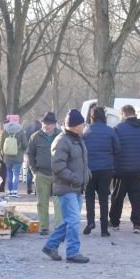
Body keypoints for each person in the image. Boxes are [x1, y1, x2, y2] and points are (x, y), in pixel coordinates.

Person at [42, 108, 90, 264]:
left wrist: (86, 173)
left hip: (76, 187)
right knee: (74, 220)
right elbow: (58, 167)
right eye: (83, 124)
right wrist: (75, 178)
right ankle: (73, 252)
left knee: (69, 221)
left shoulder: (77, 139)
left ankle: (51, 246)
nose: (85, 126)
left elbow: (79, 161)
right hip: (67, 187)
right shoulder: (62, 140)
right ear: (76, 126)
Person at [111, 104, 140, 233]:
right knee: (136, 198)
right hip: (139, 169)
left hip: (121, 170)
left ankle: (114, 222)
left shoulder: (118, 128)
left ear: (123, 114)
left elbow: (113, 148)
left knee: (118, 197)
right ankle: (137, 224)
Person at [81, 106, 120, 238]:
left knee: (89, 196)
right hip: (106, 169)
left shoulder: (85, 131)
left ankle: (90, 222)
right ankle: (104, 229)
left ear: (91, 117)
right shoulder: (110, 131)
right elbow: (117, 149)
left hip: (90, 169)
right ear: (104, 117)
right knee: (104, 199)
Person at [27, 112, 59, 235]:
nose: (47, 126)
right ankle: (44, 226)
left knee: (58, 202)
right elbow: (30, 154)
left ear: (55, 124)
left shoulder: (61, 136)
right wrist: (34, 171)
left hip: (58, 175)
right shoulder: (35, 137)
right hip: (41, 174)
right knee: (42, 202)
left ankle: (59, 227)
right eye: (45, 123)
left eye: (50, 124)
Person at [0, 114, 26, 196]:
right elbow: (25, 144)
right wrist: (21, 150)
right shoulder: (21, 131)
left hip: (7, 157)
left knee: (9, 174)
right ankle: (14, 191)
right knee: (16, 174)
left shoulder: (5, 131)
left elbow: (1, 144)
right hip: (18, 156)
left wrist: (4, 151)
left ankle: (9, 191)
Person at [21, 117, 42, 194]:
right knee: (38, 172)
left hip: (29, 151)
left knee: (29, 171)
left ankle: (29, 188)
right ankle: (37, 190)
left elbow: (24, 138)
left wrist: (25, 150)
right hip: (39, 151)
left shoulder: (29, 127)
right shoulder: (41, 128)